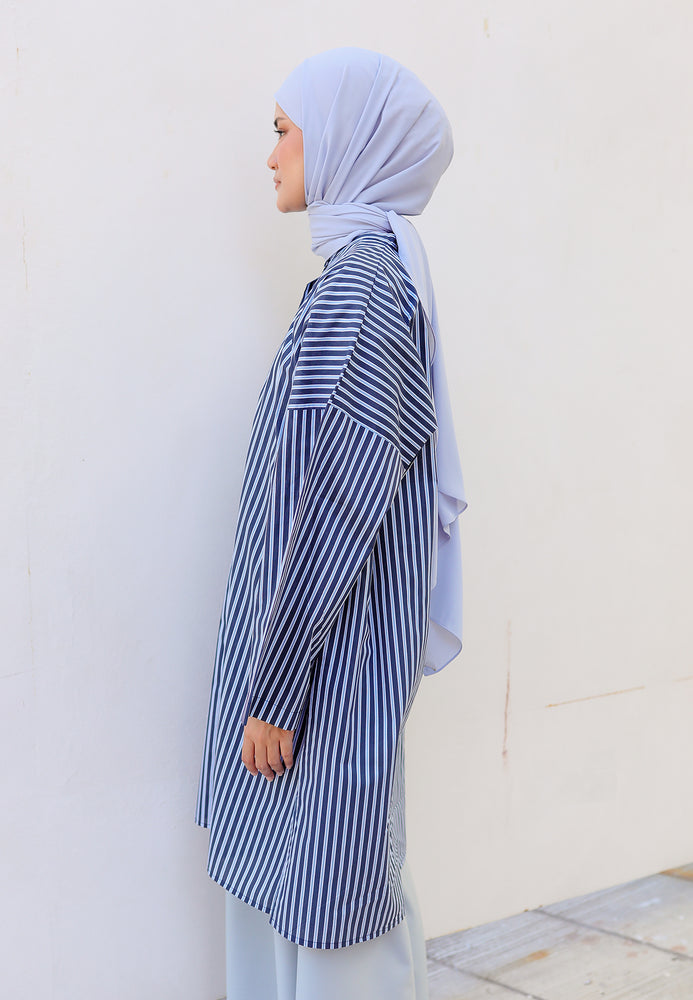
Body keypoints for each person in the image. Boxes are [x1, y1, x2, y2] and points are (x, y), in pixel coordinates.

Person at [195, 47, 466, 1000]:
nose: (270, 155)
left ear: (346, 141)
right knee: (309, 882)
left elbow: (335, 516)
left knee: (334, 897)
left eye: (283, 132)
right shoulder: (361, 279)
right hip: (320, 662)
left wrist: (273, 688)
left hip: (323, 670)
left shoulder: (362, 292)